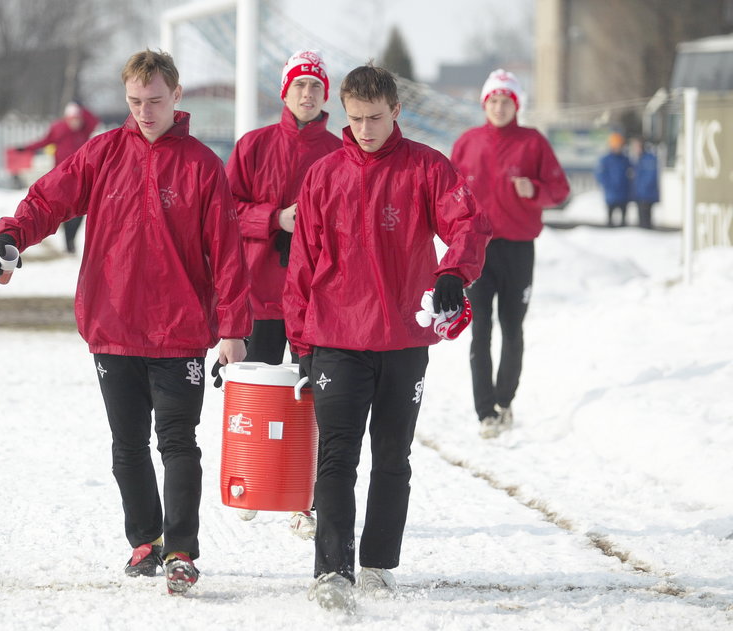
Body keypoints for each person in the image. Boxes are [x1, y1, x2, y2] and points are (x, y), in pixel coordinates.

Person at [0, 49, 251, 596]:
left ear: (177, 97)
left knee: (178, 443)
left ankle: (181, 551)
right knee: (126, 444)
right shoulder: (102, 153)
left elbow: (227, 252)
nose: (145, 111)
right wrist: (11, 234)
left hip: (179, 331)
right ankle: (145, 540)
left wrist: (233, 327)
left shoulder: (202, 165)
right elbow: (47, 200)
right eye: (135, 102)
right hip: (112, 324)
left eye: (155, 100)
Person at [284, 63, 491, 611]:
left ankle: (377, 563)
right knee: (336, 456)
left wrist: (452, 274)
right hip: (336, 336)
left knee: (393, 455)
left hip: (403, 338)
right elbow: (303, 263)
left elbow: (469, 223)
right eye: (354, 119)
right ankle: (331, 570)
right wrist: (301, 345)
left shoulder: (427, 167)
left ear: (397, 111)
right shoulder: (323, 174)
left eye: (376, 117)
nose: (365, 129)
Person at [222, 49, 342, 538]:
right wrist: (276, 217)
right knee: (254, 397)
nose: (307, 94)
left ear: (325, 94)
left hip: (316, 301)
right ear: (284, 92)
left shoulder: (339, 151)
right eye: (300, 86)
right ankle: (252, 478)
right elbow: (226, 212)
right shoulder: (253, 146)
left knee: (311, 399)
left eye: (315, 87)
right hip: (260, 295)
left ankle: (303, 497)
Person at [450, 69, 571, 439]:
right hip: (478, 250)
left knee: (513, 328)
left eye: (506, 100)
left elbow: (560, 190)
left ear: (516, 104)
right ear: (484, 103)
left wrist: (534, 190)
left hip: (518, 249)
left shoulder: (532, 143)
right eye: (493, 100)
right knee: (480, 329)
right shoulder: (468, 142)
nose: (499, 107)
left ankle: (505, 400)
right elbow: (447, 194)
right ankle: (485, 410)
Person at [13, 101, 99, 253]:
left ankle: (70, 239)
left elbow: (95, 120)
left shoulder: (84, 130)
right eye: (73, 119)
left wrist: (81, 106)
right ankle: (68, 241)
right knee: (66, 209)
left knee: (80, 212)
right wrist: (26, 148)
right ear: (67, 119)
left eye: (78, 119)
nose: (76, 123)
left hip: (82, 177)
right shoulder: (59, 129)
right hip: (63, 178)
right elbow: (43, 141)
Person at [594, 132, 631, 227]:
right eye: (616, 145)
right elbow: (600, 175)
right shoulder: (605, 160)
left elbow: (631, 174)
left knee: (623, 221)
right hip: (611, 194)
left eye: (620, 145)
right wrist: (608, 186)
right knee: (610, 220)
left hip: (623, 194)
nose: (618, 148)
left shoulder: (625, 159)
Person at [629, 136, 659, 229]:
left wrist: (642, 189)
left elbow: (650, 177)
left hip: (646, 195)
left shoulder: (649, 159)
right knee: (641, 221)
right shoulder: (638, 159)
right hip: (640, 195)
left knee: (646, 222)